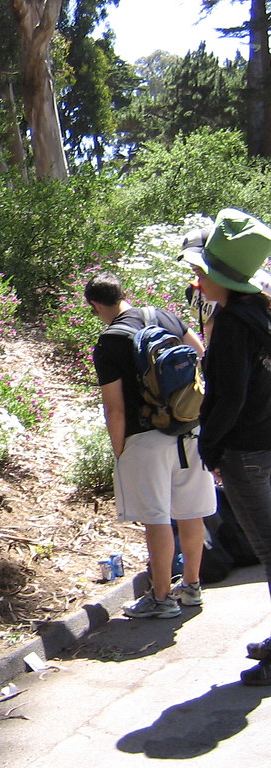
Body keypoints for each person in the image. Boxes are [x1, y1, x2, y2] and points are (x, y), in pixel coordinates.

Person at [84, 271, 216, 620]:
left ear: (97, 305)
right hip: (189, 429)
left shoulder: (110, 341)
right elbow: (201, 356)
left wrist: (120, 451)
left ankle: (161, 597)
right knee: (191, 512)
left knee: (156, 519)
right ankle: (191, 587)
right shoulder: (164, 316)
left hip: (145, 437)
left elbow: (114, 407)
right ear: (123, 293)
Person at [179, 208, 271, 685]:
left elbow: (229, 396)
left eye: (201, 271)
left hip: (247, 454)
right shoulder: (259, 314)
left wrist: (209, 450)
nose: (196, 279)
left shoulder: (235, 324)